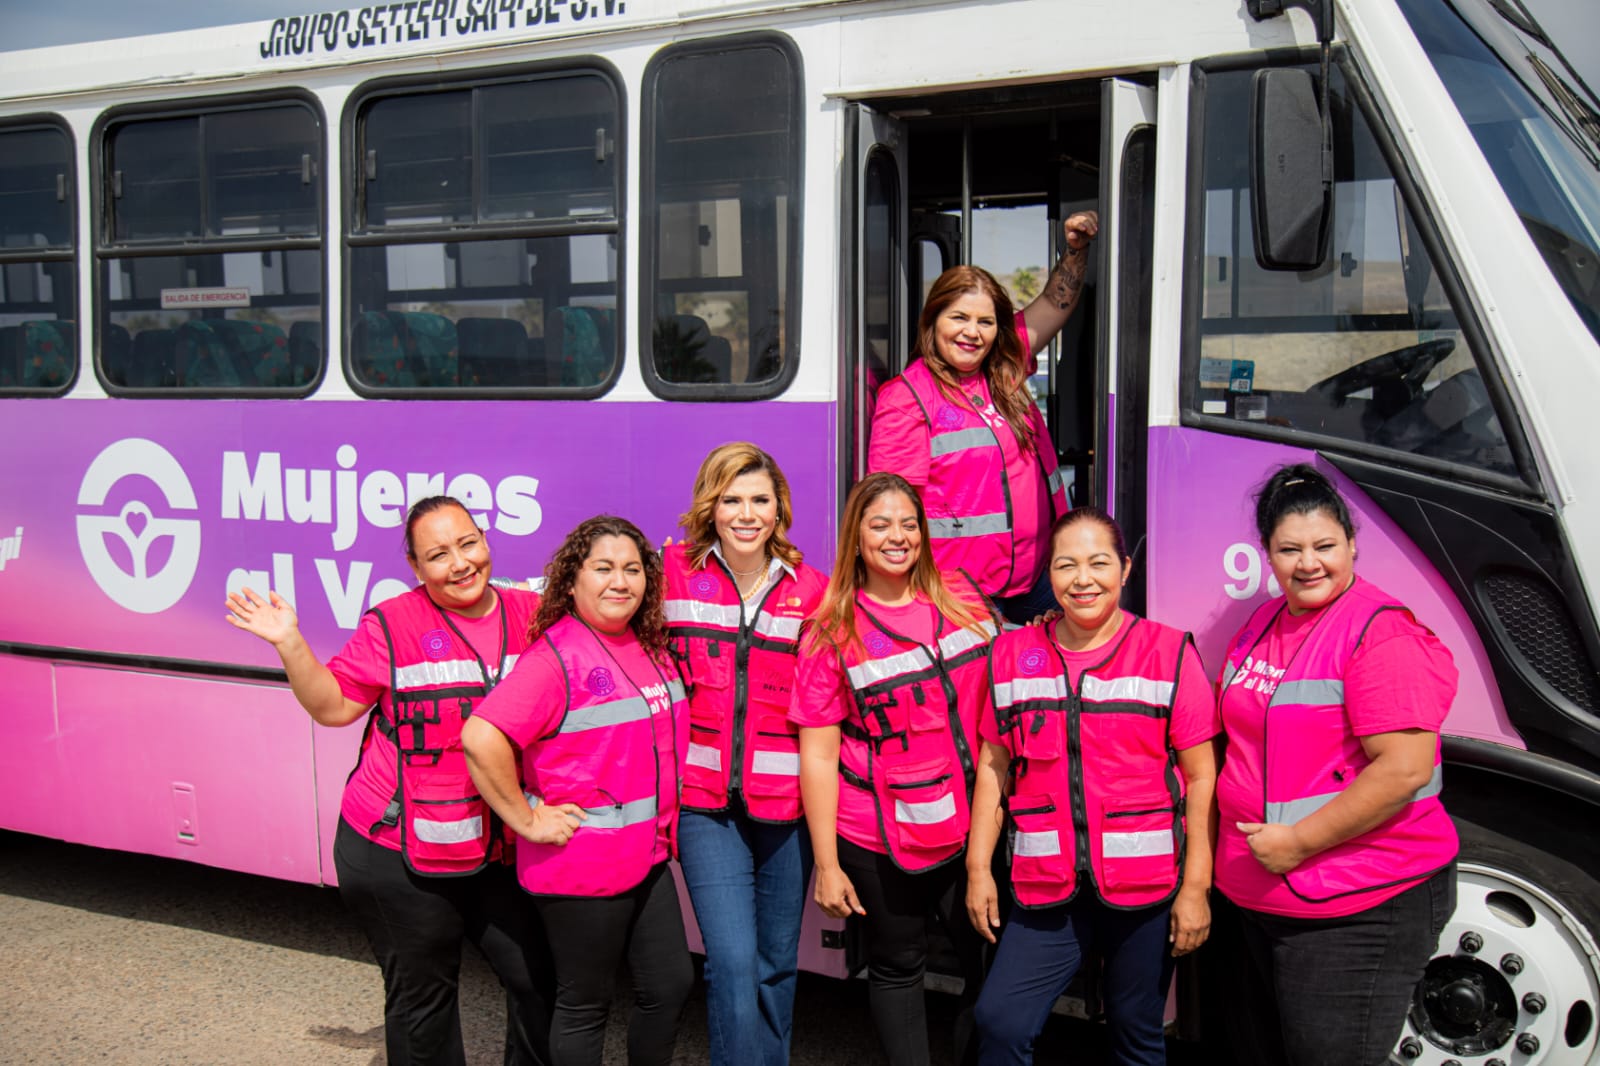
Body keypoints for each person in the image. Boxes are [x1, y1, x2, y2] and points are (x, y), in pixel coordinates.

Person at [224, 495, 552, 1066]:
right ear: (416, 566)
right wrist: (290, 643)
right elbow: (332, 708)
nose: (460, 564)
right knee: (424, 1004)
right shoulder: (392, 624)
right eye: (438, 555)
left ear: (486, 541)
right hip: (393, 851)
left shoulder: (535, 613)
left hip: (493, 846)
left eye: (468, 544)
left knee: (536, 978)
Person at [1216, 464, 1458, 1066]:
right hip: (1264, 898)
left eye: (1324, 546)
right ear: (1267, 556)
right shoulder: (1265, 623)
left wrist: (1297, 843)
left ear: (1352, 543)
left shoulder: (1380, 634)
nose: (1309, 563)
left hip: (1353, 904)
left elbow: (1403, 769)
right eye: (1289, 549)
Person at [966, 507, 1220, 1066]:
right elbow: (993, 768)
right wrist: (979, 868)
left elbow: (1202, 777)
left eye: (1099, 563)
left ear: (1125, 569)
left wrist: (1196, 888)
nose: (1083, 579)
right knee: (1000, 1022)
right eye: (1066, 565)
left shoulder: (1169, 651)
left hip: (1147, 890)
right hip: (1044, 886)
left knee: (1135, 1033)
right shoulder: (1010, 657)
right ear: (1049, 576)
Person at [462, 516, 694, 1066]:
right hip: (582, 866)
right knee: (585, 1004)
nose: (621, 582)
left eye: (633, 569)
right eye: (604, 569)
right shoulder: (557, 657)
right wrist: (527, 820)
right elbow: (480, 736)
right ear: (572, 582)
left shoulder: (646, 645)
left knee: (670, 985)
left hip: (646, 855)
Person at [789, 471, 1000, 1066]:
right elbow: (819, 755)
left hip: (972, 826)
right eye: (880, 525)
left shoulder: (962, 596)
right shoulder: (832, 629)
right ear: (856, 537)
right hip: (877, 836)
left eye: (909, 524)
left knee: (993, 958)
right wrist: (827, 865)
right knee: (899, 965)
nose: (897, 537)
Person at [663, 442, 829, 1066]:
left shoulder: (813, 590)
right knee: (731, 964)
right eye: (732, 499)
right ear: (711, 505)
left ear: (779, 507)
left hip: (785, 810)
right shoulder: (670, 572)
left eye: (759, 500)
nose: (746, 513)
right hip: (703, 807)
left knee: (775, 968)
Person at [868, 213, 1097, 625]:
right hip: (961, 595)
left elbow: (1054, 303)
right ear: (933, 321)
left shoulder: (1005, 368)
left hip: (1036, 581)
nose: (972, 332)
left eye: (985, 322)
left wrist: (1076, 250)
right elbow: (890, 513)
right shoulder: (907, 399)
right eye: (959, 317)